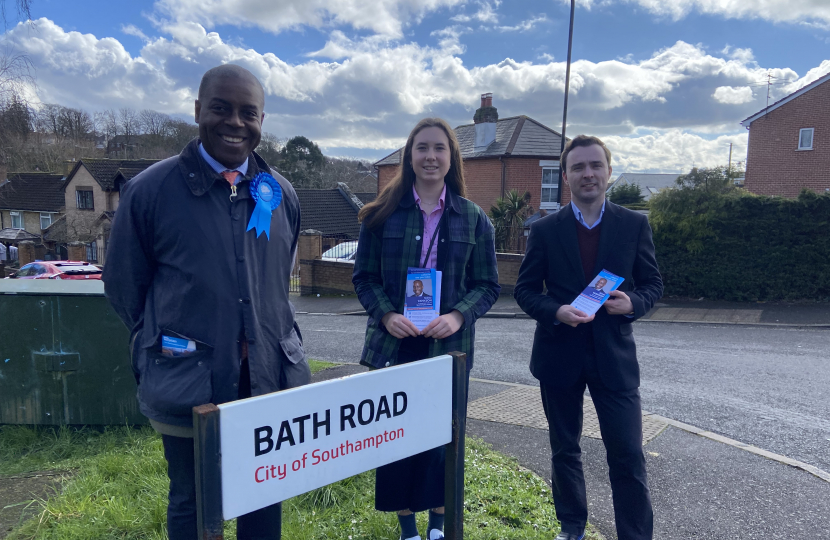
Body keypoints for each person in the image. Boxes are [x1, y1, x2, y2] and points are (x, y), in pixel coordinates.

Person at [103, 64, 310, 540]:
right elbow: (124, 289)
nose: (234, 122)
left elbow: (276, 285)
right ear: (198, 111)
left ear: (261, 120)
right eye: (221, 108)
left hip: (266, 378)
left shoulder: (283, 195)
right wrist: (168, 339)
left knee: (263, 495)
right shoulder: (149, 192)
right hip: (188, 382)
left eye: (248, 112)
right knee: (192, 502)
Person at [352, 117, 500, 540]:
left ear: (451, 157)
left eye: (439, 148)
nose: (431, 156)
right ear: (409, 156)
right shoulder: (380, 215)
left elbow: (488, 285)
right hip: (395, 345)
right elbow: (364, 278)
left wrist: (457, 315)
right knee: (397, 441)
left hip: (447, 347)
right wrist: (385, 314)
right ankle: (407, 529)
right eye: (422, 148)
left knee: (443, 440)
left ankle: (438, 526)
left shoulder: (474, 219)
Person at [514, 135, 663, 540]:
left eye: (595, 165)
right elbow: (525, 291)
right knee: (565, 449)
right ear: (566, 176)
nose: (588, 173)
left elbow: (653, 284)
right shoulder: (544, 229)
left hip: (614, 359)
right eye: (578, 167)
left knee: (629, 454)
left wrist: (631, 303)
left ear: (609, 172)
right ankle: (572, 527)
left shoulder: (634, 224)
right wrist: (556, 312)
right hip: (559, 354)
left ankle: (635, 535)